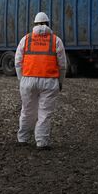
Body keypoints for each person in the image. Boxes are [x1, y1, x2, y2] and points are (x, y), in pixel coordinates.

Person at [14, 12, 66, 150]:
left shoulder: (25, 39)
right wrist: (60, 81)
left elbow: (18, 62)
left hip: (28, 81)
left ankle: (23, 139)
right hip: (49, 82)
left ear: (35, 24)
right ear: (48, 24)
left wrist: (22, 79)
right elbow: (62, 65)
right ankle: (42, 143)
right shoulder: (56, 40)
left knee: (27, 110)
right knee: (44, 113)